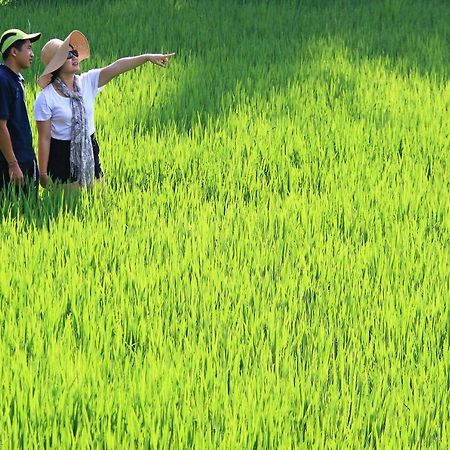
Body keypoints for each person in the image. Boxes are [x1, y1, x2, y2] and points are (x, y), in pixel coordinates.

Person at [34, 30, 175, 188]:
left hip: (89, 146)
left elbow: (117, 67)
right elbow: (44, 138)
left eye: (74, 52)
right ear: (57, 64)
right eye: (68, 55)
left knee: (97, 198)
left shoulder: (87, 82)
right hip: (62, 154)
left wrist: (146, 58)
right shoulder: (46, 98)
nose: (75, 57)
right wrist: (43, 173)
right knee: (68, 205)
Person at [0, 28, 41, 194]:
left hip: (23, 158)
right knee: (18, 214)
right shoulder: (2, 80)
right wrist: (13, 164)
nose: (32, 54)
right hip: (13, 163)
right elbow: (1, 126)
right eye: (29, 48)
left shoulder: (14, 79)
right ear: (14, 51)